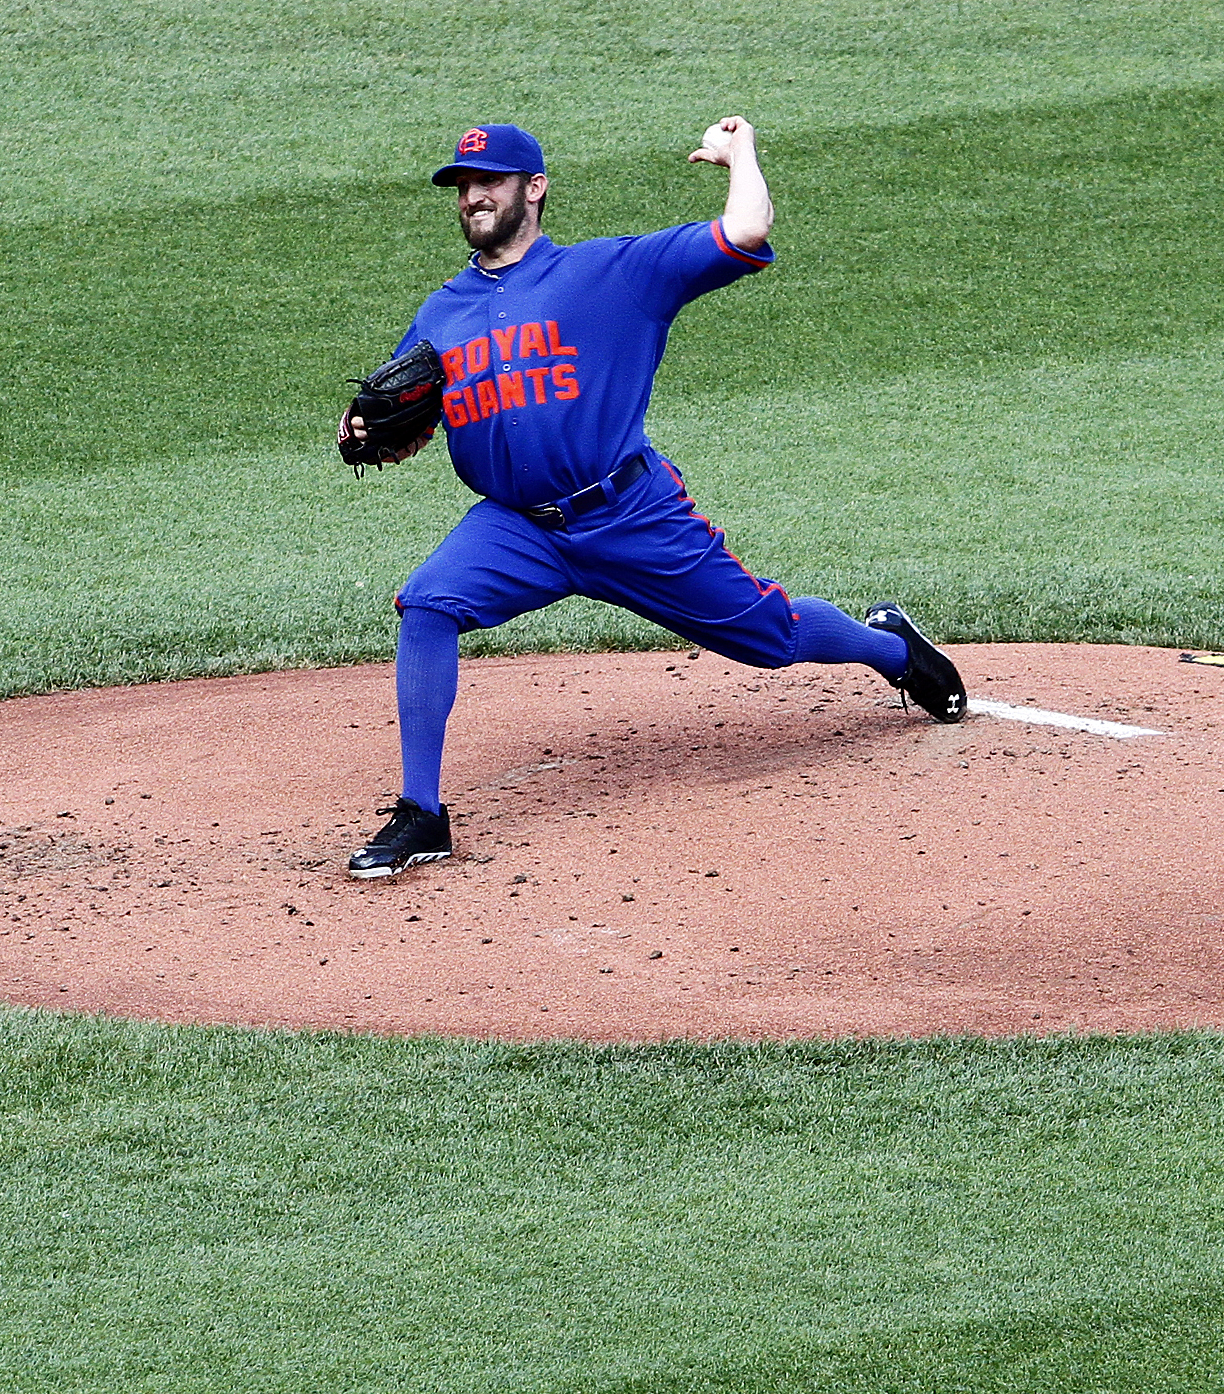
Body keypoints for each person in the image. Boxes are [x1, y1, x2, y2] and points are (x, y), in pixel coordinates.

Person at [336, 117, 966, 877]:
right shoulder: (439, 314)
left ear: (534, 190)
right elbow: (407, 413)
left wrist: (742, 154)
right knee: (429, 603)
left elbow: (746, 227)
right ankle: (422, 814)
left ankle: (892, 648)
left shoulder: (615, 274)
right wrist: (366, 429)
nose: (473, 196)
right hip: (515, 529)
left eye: (489, 182)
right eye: (463, 185)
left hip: (631, 516)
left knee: (771, 637)